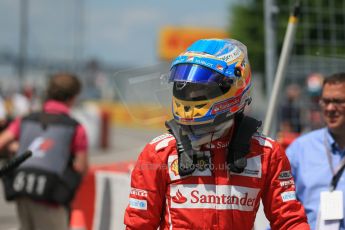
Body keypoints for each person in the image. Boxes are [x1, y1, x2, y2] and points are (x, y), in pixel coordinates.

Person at [124, 38, 309, 229]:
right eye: (185, 87)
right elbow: (139, 224)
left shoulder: (266, 153)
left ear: (235, 84)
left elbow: (289, 221)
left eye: (202, 88)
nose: (191, 95)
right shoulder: (159, 152)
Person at [0, 73, 89, 230]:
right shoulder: (75, 128)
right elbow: (81, 168)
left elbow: (2, 142)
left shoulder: (26, 119)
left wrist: (14, 148)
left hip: (22, 189)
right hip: (51, 196)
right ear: (73, 97)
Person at [286, 72, 345, 230]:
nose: (330, 108)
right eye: (325, 101)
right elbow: (282, 211)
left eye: (338, 101)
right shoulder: (300, 150)